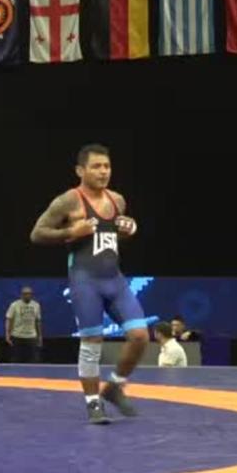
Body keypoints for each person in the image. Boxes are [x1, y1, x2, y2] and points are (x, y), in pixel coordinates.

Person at [31, 143, 146, 424]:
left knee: (140, 336)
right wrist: (72, 230)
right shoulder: (68, 201)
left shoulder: (117, 200)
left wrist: (128, 231)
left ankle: (115, 387)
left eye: (107, 166)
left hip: (115, 279)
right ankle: (93, 403)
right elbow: (37, 234)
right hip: (85, 282)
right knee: (92, 342)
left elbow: (111, 239)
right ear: (80, 170)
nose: (103, 171)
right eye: (96, 166)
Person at [4, 286, 43, 363]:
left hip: (31, 337)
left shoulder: (36, 305)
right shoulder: (14, 305)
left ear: (31, 295)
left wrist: (40, 336)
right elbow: (8, 320)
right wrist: (7, 335)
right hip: (17, 337)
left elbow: (38, 322)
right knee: (16, 360)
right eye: (25, 294)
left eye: (29, 293)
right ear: (21, 295)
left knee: (33, 361)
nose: (27, 295)